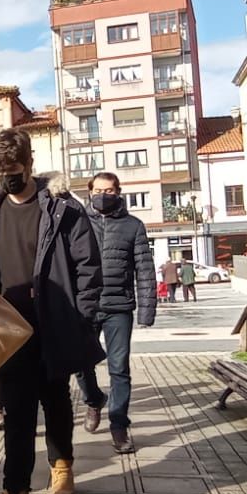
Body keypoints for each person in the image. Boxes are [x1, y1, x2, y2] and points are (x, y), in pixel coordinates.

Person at [0, 128, 102, 494]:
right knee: (16, 415)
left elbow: (88, 266)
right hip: (9, 330)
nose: (8, 178)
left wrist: (81, 318)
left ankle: (61, 465)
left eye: (13, 169)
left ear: (29, 163)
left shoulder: (63, 209)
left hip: (54, 323)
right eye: (0, 171)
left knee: (57, 401)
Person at [75, 173, 156, 454]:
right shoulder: (77, 221)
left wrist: (147, 310)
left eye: (109, 190)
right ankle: (94, 399)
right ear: (89, 192)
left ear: (118, 192)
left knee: (119, 368)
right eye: (98, 190)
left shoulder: (133, 226)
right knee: (80, 362)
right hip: (85, 305)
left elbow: (145, 269)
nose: (103, 195)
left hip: (119, 307)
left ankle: (119, 424)